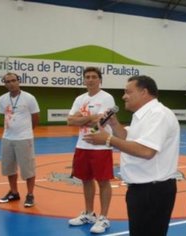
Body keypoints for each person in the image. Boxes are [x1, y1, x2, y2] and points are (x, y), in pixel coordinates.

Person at [83, 75, 180, 236]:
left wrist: (107, 139)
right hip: (141, 189)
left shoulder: (158, 114)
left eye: (128, 92)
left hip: (153, 191)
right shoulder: (143, 115)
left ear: (144, 92)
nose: (124, 96)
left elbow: (146, 151)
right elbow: (128, 138)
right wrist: (114, 124)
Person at [67, 67, 115, 234]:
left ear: (100, 79)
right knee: (86, 180)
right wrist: (88, 118)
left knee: (103, 181)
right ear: (84, 80)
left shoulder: (107, 98)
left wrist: (81, 118)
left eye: (94, 77)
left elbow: (100, 121)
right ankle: (89, 213)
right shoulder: (80, 98)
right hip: (82, 145)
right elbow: (70, 121)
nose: (90, 79)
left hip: (101, 146)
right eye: (87, 77)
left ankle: (103, 217)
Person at [0, 72, 40, 208]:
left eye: (13, 80)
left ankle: (30, 194)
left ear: (18, 81)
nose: (11, 83)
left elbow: (35, 117)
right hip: (7, 137)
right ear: (5, 84)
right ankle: (14, 192)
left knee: (28, 169)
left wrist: (27, 131)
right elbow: (5, 116)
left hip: (24, 138)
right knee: (9, 168)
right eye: (8, 81)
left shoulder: (29, 98)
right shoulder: (2, 99)